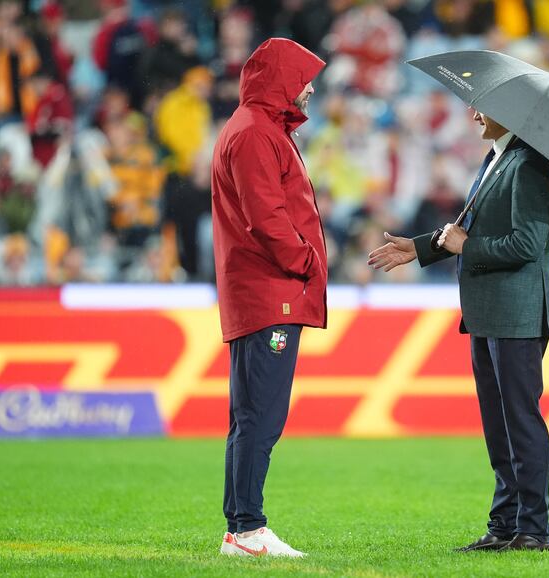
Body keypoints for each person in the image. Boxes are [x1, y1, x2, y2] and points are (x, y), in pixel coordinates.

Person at [369, 110, 549, 552]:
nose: (474, 114)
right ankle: (505, 524)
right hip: (490, 311)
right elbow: (465, 228)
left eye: (481, 106)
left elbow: (527, 244)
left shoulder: (529, 164)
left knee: (520, 422)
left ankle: (533, 529)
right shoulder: (500, 157)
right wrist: (418, 248)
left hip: (516, 313)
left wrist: (466, 247)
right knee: (499, 425)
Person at [210, 38, 327, 558]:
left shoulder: (255, 128)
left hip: (256, 292)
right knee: (261, 416)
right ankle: (249, 527)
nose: (310, 88)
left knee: (249, 415)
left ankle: (241, 528)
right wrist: (307, 261)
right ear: (281, 78)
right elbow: (267, 218)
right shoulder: (257, 133)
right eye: (303, 78)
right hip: (269, 293)